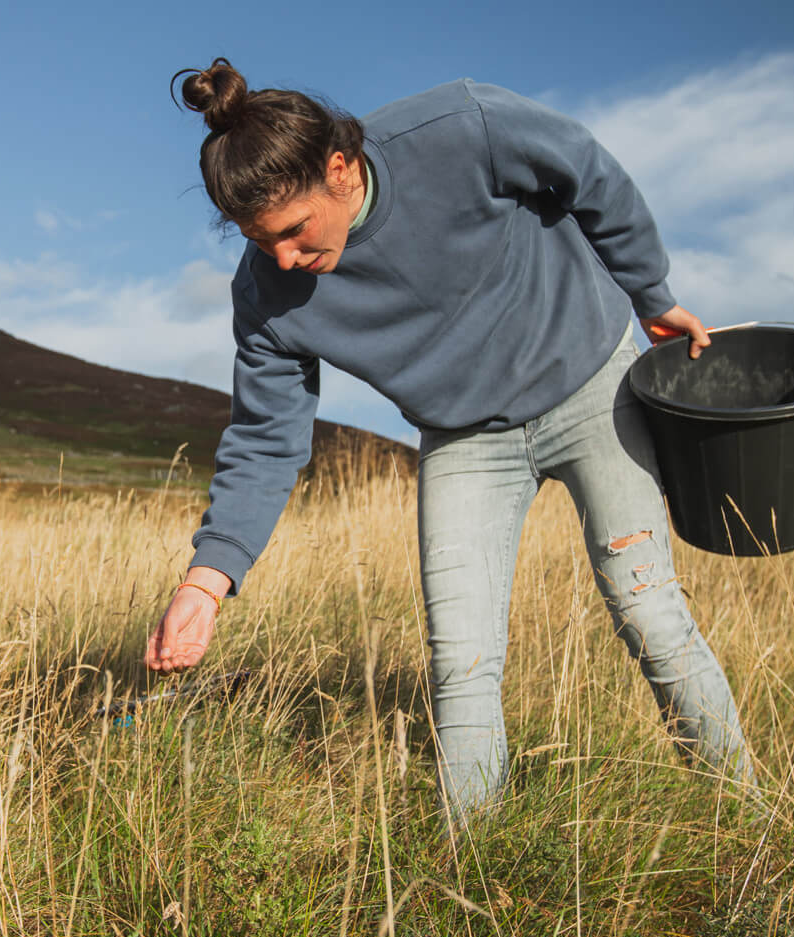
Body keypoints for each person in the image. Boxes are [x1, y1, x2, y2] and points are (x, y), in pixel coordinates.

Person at [144, 61, 754, 820]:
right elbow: (267, 437)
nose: (286, 262)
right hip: (466, 441)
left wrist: (652, 295)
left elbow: (589, 172)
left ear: (340, 167)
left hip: (592, 382)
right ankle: (475, 865)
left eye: (295, 233)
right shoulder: (265, 298)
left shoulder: (464, 129)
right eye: (261, 244)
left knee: (649, 612)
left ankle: (748, 822)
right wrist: (206, 582)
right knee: (461, 665)